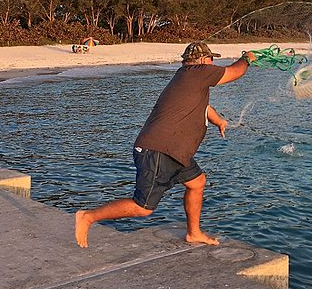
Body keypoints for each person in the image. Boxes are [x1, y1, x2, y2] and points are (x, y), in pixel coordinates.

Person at [75, 42, 257, 248]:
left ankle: (194, 233)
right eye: (211, 59)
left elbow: (204, 108)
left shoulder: (188, 79)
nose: (213, 63)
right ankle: (88, 217)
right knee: (143, 207)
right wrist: (247, 58)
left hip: (175, 152)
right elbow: (234, 72)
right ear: (204, 61)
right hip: (160, 150)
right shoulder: (198, 72)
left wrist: (219, 121)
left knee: (197, 182)